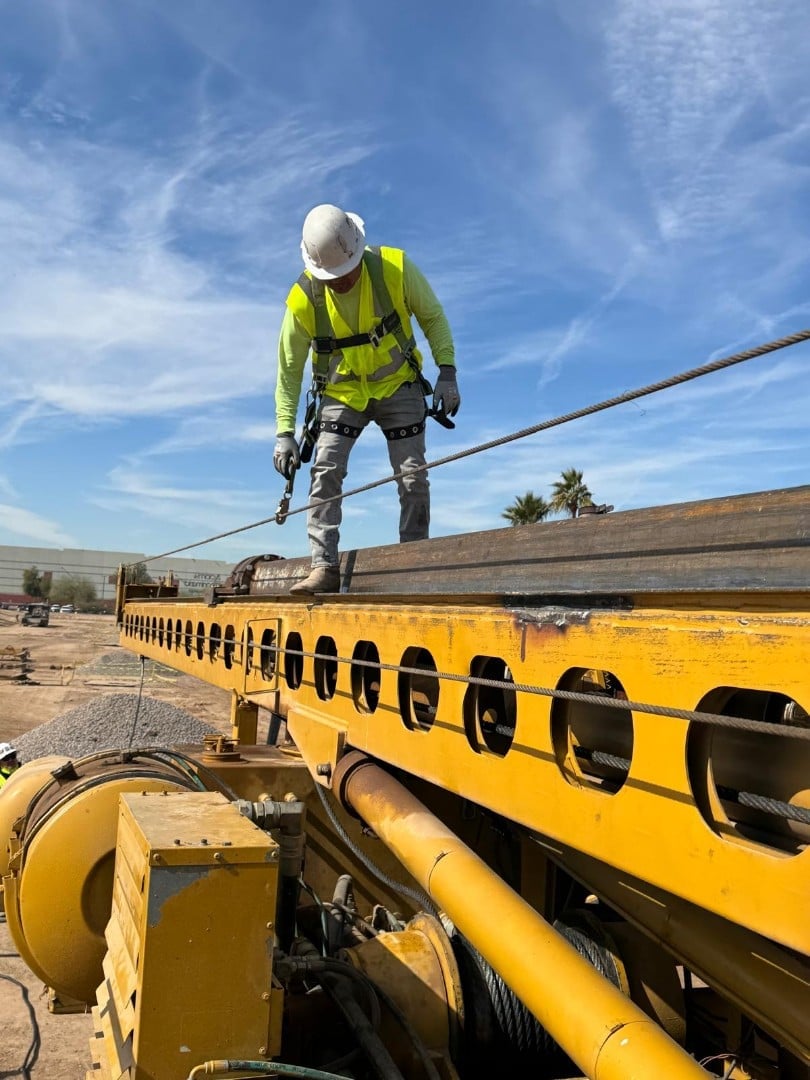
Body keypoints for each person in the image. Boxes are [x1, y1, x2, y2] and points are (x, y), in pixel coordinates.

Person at [273, 204, 460, 594]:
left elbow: (433, 318)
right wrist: (284, 431)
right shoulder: (303, 298)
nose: (341, 281)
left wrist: (447, 372)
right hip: (342, 393)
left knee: (412, 476)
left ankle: (413, 563)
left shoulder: (395, 267)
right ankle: (323, 566)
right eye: (332, 276)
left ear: (359, 249)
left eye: (347, 271)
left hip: (398, 384)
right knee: (325, 471)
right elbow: (289, 371)